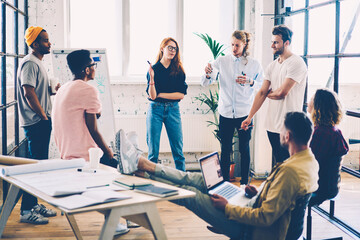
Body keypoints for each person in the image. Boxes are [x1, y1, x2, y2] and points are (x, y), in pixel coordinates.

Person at [118, 111, 319, 240]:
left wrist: (228, 208)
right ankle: (144, 166)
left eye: (282, 130)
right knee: (195, 179)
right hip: (249, 205)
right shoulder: (307, 160)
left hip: (249, 229)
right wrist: (257, 192)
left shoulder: (291, 171)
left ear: (287, 136)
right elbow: (281, 201)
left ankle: (141, 173)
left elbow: (265, 218)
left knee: (189, 194)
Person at [51, 49, 131, 236]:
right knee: (115, 168)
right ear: (87, 70)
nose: (95, 68)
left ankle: (120, 218)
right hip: (84, 156)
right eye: (93, 65)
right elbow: (93, 130)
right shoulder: (88, 89)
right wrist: (109, 153)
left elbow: (87, 116)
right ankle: (114, 222)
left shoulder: (62, 89)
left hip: (65, 152)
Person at [201, 30, 263, 183]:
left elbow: (263, 86)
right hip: (226, 113)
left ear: (245, 45)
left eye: (237, 45)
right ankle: (224, 183)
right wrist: (208, 74)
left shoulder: (254, 64)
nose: (234, 48)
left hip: (245, 114)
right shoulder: (221, 61)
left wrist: (250, 82)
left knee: (244, 148)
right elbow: (205, 82)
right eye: (232, 45)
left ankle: (244, 183)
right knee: (226, 149)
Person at [241, 25, 308, 166]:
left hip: (289, 126)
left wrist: (268, 93)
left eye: (276, 42)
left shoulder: (297, 63)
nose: (272, 45)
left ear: (287, 43)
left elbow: (282, 93)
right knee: (278, 164)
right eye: (272, 42)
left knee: (289, 166)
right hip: (272, 125)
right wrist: (249, 117)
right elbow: (261, 92)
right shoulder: (272, 66)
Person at [16, 26, 58, 224]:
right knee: (34, 168)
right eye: (45, 40)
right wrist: (42, 115)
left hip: (40, 120)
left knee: (39, 166)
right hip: (36, 122)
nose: (49, 43)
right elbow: (28, 92)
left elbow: (37, 91)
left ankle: (32, 204)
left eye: (48, 40)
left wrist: (51, 90)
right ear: (34, 44)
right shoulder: (30, 63)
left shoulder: (38, 62)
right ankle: (25, 211)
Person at [146, 37, 188, 171]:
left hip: (173, 110)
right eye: (170, 47)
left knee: (178, 151)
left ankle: (182, 181)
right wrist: (152, 79)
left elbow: (180, 95)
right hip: (155, 110)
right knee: (153, 153)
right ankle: (152, 181)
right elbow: (152, 96)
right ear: (162, 48)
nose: (172, 51)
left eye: (175, 49)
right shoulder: (154, 69)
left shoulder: (179, 70)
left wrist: (160, 94)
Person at [307, 88, 349, 206]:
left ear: (318, 106)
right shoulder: (334, 130)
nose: (308, 101)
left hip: (320, 189)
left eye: (311, 99)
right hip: (331, 186)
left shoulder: (321, 133)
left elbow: (311, 163)